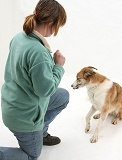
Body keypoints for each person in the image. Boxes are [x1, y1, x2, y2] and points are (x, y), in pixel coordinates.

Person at [0, 0, 69, 159]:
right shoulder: (38, 52)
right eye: (58, 25)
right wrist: (58, 66)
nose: (56, 30)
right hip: (24, 118)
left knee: (63, 96)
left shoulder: (20, 37)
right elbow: (45, 90)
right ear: (51, 22)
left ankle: (41, 132)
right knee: (32, 156)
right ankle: (33, 133)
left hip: (13, 105)